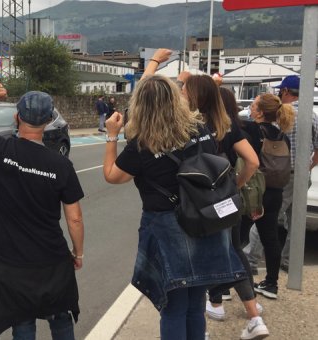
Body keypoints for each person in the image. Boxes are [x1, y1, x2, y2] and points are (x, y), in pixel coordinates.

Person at [102, 48, 245, 340]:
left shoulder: (142, 143)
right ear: (176, 98)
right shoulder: (200, 128)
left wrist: (111, 136)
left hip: (168, 227)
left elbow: (112, 176)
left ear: (140, 106)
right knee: (195, 303)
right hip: (205, 222)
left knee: (174, 307)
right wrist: (158, 69)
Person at [0, 82, 85, 340]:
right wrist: (77, 253)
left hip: (11, 262)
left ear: (17, 117)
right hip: (52, 260)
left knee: (21, 322)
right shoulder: (61, 165)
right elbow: (75, 218)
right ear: (48, 121)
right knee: (60, 317)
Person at [183, 81, 268, 339]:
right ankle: (254, 316)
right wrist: (236, 185)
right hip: (226, 200)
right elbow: (252, 161)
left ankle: (204, 325)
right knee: (232, 253)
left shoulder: (188, 126)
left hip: (197, 203)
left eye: (185, 90)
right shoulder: (226, 126)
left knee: (196, 261)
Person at [246, 75, 318, 273]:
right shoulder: (310, 114)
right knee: (296, 219)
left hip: (277, 175)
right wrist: (308, 167)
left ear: (286, 91)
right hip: (301, 174)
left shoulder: (278, 115)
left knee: (265, 218)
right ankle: (289, 260)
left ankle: (250, 261)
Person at [240, 93, 295, 301]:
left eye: (253, 106)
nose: (251, 109)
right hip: (275, 193)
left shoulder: (252, 131)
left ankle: (231, 285)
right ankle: (271, 283)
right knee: (270, 237)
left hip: (253, 193)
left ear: (261, 112)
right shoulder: (283, 136)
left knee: (237, 238)